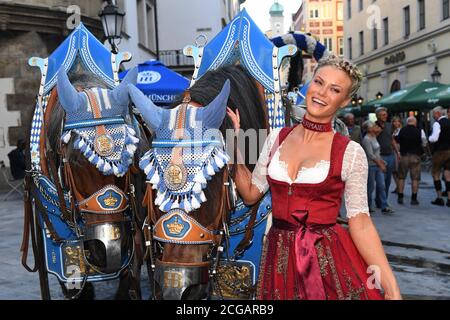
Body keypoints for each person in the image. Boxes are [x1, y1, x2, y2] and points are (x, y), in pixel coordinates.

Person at [226, 55, 401, 300]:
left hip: (326, 261)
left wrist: (391, 287)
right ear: (310, 84)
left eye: (335, 89)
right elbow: (251, 193)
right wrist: (234, 142)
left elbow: (360, 223)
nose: (322, 93)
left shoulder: (350, 152)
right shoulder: (277, 138)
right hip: (279, 260)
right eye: (319, 82)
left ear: (345, 100)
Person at [362, 121, 394, 214]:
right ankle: (367, 206)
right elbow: (371, 155)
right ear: (368, 129)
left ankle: (384, 206)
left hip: (377, 164)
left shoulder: (374, 137)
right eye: (373, 126)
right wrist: (380, 164)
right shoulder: (367, 139)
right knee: (370, 187)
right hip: (370, 165)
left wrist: (381, 161)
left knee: (382, 185)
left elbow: (377, 153)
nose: (376, 126)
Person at [394, 116, 427, 205]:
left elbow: (396, 140)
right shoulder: (420, 131)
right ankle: (414, 199)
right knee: (415, 179)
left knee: (401, 177)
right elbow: (424, 143)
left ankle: (400, 197)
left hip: (404, 156)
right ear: (415, 122)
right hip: (415, 156)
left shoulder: (401, 130)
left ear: (407, 122)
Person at [374, 107, 400, 205]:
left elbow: (391, 139)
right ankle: (381, 201)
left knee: (388, 180)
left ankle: (382, 199)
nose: (385, 116)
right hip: (380, 156)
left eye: (386, 114)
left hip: (390, 155)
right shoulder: (374, 126)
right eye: (383, 115)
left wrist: (397, 152)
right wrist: (377, 132)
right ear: (377, 116)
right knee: (381, 181)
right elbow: (371, 139)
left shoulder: (389, 125)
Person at [428, 106, 450, 207]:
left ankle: (439, 198)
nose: (433, 116)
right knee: (448, 175)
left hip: (440, 152)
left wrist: (429, 138)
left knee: (435, 173)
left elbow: (434, 138)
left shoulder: (437, 123)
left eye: (433, 114)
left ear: (437, 113)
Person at [391, 116, 402, 194]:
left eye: (398, 121)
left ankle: (399, 187)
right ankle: (398, 186)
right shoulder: (392, 130)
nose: (396, 123)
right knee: (394, 170)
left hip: (398, 151)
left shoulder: (401, 131)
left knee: (397, 170)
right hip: (392, 150)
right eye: (394, 121)